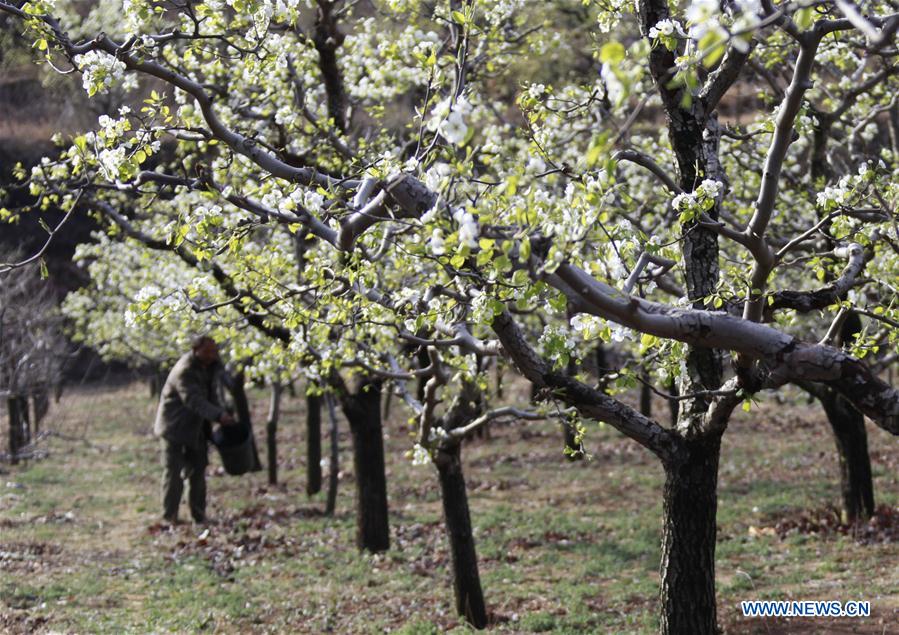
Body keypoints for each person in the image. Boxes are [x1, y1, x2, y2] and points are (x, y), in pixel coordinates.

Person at [154, 335, 235, 524]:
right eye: (207, 352)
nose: (212, 355)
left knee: (198, 471)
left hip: (196, 428)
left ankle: (198, 515)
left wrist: (222, 411)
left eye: (214, 351)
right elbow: (193, 400)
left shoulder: (210, 368)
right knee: (173, 472)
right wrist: (218, 416)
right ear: (195, 350)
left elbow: (211, 395)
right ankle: (169, 517)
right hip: (175, 428)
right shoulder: (185, 370)